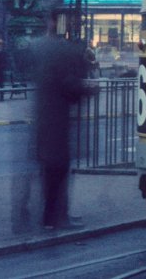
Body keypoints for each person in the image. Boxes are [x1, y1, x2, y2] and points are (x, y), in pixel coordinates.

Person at [33, 36, 98, 230]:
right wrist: (89, 90)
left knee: (54, 172)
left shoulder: (48, 68)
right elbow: (71, 88)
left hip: (48, 126)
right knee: (57, 171)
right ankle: (52, 219)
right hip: (55, 128)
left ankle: (53, 217)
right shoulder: (60, 70)